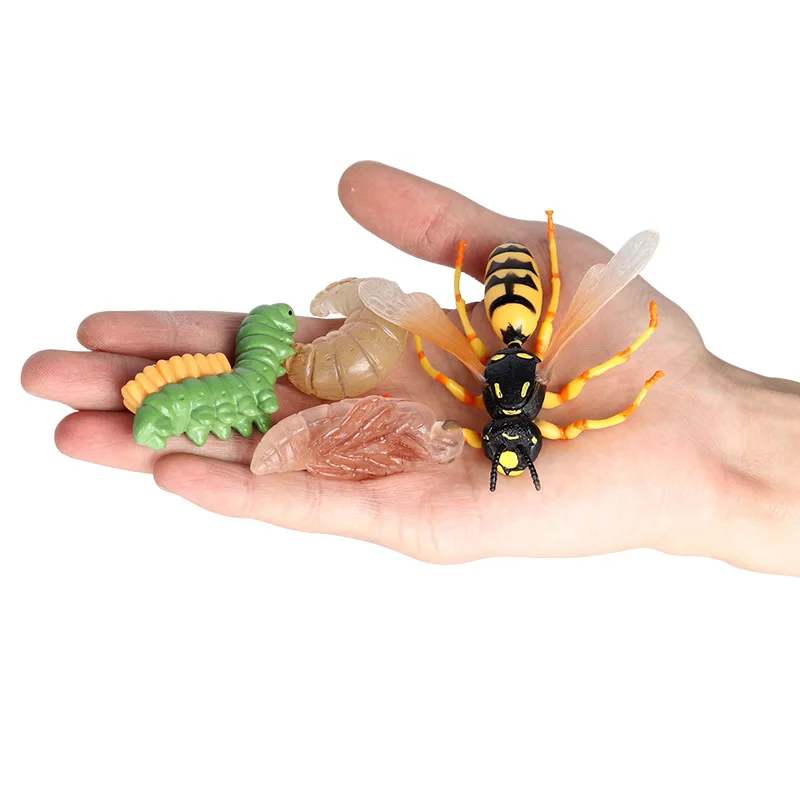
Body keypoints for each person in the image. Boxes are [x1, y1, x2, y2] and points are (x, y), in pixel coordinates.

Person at [20, 162, 800, 576]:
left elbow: (464, 374)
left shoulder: (496, 386)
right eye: (514, 446)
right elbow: (474, 379)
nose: (502, 440)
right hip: (485, 322)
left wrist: (691, 417)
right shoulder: (514, 385)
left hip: (480, 327)